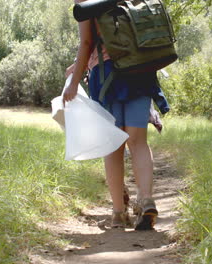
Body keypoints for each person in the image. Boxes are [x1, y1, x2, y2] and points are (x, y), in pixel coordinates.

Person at [63, 0, 169, 230]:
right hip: (141, 69)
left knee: (113, 146)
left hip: (106, 75)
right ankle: (146, 199)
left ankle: (119, 213)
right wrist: (76, 65)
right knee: (138, 141)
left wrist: (74, 81)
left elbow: (87, 42)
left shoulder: (84, 1)